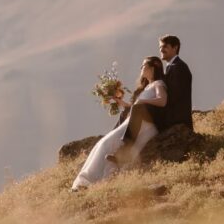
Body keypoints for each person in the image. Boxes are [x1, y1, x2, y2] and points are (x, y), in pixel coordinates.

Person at [71, 57, 167, 191]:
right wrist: (118, 101)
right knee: (105, 144)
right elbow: (133, 106)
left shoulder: (158, 83)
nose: (141, 68)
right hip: (135, 121)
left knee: (109, 144)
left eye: (144, 66)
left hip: (144, 125)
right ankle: (90, 182)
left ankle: (95, 180)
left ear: (152, 68)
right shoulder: (147, 87)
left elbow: (162, 101)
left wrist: (143, 103)